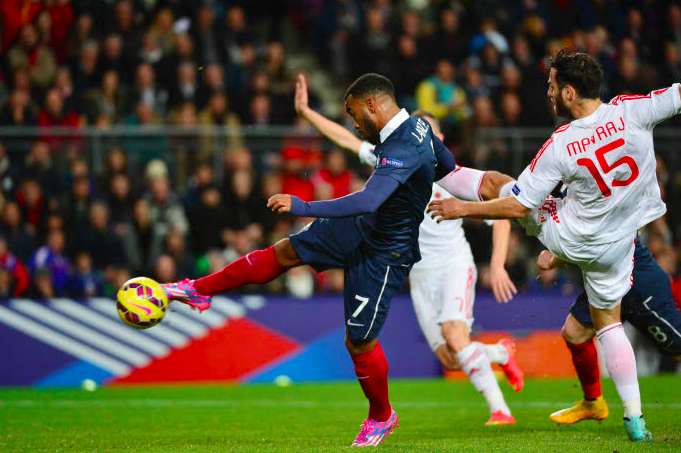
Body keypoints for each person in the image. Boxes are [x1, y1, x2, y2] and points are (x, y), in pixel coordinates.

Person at [162, 73, 457, 447]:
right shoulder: (416, 130)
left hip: (385, 251)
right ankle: (197, 290)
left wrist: (301, 205)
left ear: (371, 104)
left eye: (352, 112)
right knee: (286, 251)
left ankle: (382, 416)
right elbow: (447, 166)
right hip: (358, 227)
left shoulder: (403, 146)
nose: (353, 121)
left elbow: (369, 199)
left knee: (359, 343)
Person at [428, 49, 681, 442]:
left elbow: (519, 205)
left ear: (567, 92)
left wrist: (462, 207)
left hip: (571, 236)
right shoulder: (633, 111)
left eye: (550, 86)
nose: (547, 93)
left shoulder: (563, 144)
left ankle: (438, 164)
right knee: (608, 326)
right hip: (618, 245)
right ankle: (635, 422)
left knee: (500, 184)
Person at [292, 73, 522, 426]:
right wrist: (307, 112)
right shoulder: (395, 160)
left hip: (454, 266)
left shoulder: (450, 177)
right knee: (449, 356)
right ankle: (499, 352)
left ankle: (500, 410)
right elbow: (346, 140)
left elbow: (500, 216)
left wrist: (498, 263)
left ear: (438, 138)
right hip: (418, 272)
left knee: (455, 336)